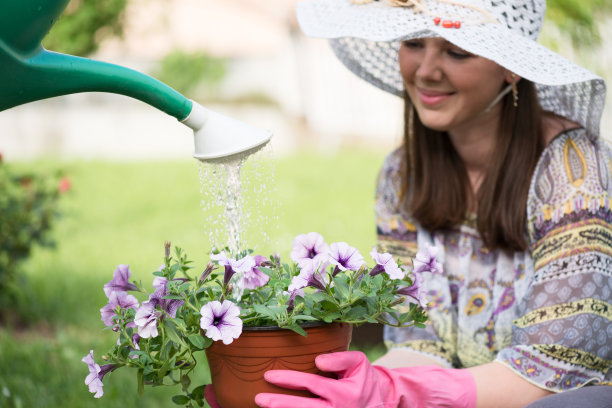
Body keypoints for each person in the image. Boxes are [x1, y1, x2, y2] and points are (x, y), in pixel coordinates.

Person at [250, 0, 612, 407]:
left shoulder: (572, 168)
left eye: (457, 50)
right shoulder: (401, 176)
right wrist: (350, 387)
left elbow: (558, 370)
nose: (425, 71)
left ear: (511, 67)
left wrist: (399, 391)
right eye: (413, 43)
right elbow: (416, 342)